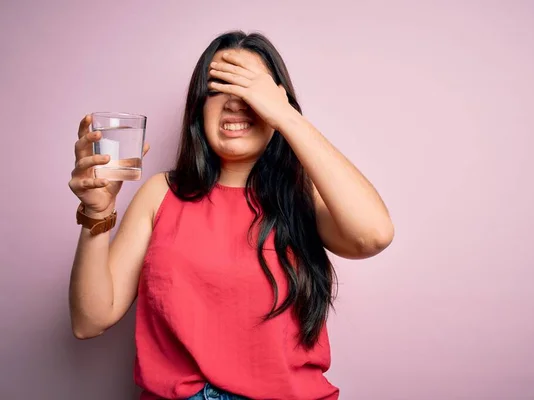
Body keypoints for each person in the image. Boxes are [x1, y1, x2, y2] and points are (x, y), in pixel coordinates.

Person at [68, 30, 394, 400]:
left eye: (250, 89)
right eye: (219, 87)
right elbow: (89, 320)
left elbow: (374, 235)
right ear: (199, 107)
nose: (235, 103)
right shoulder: (161, 194)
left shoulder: (304, 196)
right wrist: (97, 212)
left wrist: (286, 117)